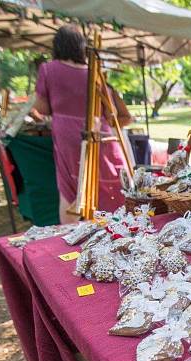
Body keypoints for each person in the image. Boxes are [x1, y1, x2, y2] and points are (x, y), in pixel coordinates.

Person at [32, 24, 132, 223]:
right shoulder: (94, 73)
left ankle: (75, 236)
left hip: (69, 134)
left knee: (71, 188)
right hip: (99, 131)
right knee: (101, 186)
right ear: (81, 47)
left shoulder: (48, 69)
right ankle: (112, 227)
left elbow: (41, 108)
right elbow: (111, 112)